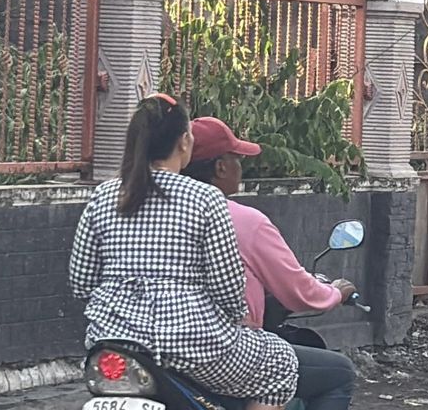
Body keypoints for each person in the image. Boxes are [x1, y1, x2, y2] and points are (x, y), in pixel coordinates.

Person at [68, 94, 297, 410]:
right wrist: (233, 318)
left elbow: (81, 284)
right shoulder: (204, 199)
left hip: (111, 345)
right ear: (183, 142)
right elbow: (228, 291)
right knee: (281, 362)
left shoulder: (104, 196)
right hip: (192, 346)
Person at [184, 116, 358, 410]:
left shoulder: (148, 214)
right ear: (220, 167)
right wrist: (335, 292)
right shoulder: (243, 221)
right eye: (237, 159)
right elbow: (299, 292)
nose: (242, 167)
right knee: (338, 373)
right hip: (219, 346)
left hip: (150, 345)